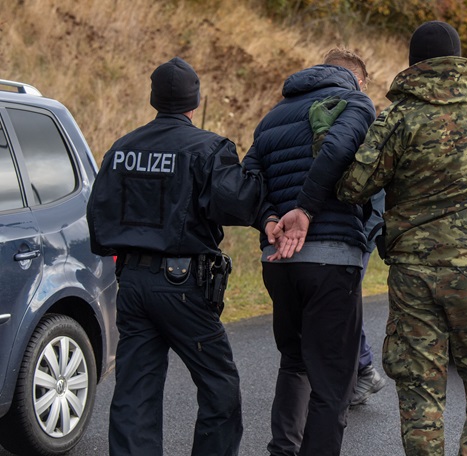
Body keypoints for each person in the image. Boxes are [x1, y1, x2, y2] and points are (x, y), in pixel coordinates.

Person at [336, 21, 467, 456]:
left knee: (419, 388)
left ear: (413, 62)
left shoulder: (399, 118)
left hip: (414, 275)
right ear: (459, 59)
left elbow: (353, 188)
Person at [87, 56, 265, 456]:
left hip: (132, 283)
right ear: (195, 102)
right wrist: (254, 166)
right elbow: (239, 205)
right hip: (182, 286)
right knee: (219, 386)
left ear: (153, 99)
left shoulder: (121, 149)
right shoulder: (208, 148)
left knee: (135, 392)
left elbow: (98, 215)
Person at [242, 47, 376, 456]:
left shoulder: (273, 115)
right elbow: (337, 148)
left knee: (295, 361)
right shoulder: (356, 102)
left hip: (278, 260)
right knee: (333, 379)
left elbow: (248, 177)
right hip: (330, 258)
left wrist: (268, 219)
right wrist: (305, 209)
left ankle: (282, 450)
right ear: (358, 80)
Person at [350, 189, 387, 406]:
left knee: (345, 303)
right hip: (352, 229)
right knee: (343, 303)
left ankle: (365, 370)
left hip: (360, 232)